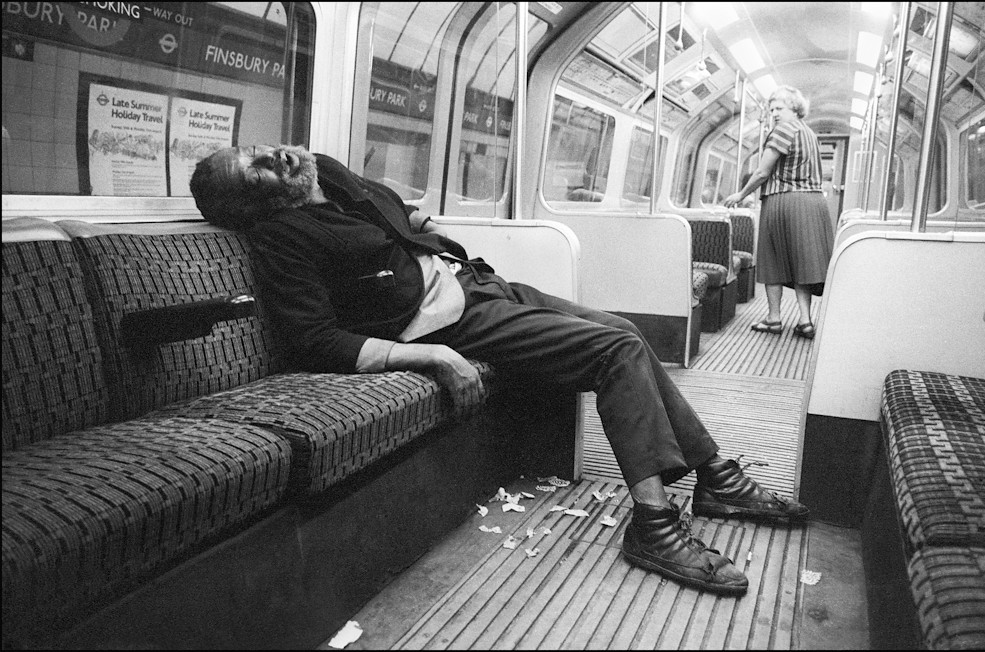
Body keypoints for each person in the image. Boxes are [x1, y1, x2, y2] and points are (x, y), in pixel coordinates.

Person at [189, 144, 809, 596]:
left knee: (624, 331)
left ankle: (716, 478)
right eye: (259, 168)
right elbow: (312, 341)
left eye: (262, 147)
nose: (276, 154)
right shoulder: (281, 237)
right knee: (612, 354)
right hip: (438, 322)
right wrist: (428, 354)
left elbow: (385, 213)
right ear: (256, 201)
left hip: (474, 281)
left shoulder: (325, 169)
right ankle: (652, 523)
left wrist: (412, 225)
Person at [723, 86, 834, 339]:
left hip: (784, 201)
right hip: (813, 203)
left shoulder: (783, 129)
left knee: (772, 260)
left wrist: (741, 194)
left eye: (779, 108)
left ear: (795, 108)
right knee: (802, 263)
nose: (774, 113)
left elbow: (763, 172)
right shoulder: (809, 133)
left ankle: (774, 319)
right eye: (771, 109)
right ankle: (805, 321)